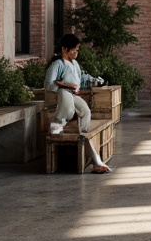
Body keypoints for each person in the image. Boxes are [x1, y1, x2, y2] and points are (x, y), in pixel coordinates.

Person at [45, 33, 111, 173]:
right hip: (62, 93)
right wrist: (64, 87)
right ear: (64, 49)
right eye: (73, 50)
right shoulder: (58, 64)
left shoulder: (75, 64)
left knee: (85, 110)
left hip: (73, 94)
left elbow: (79, 79)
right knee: (68, 108)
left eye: (77, 50)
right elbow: (49, 84)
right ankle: (57, 122)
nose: (76, 53)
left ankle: (83, 133)